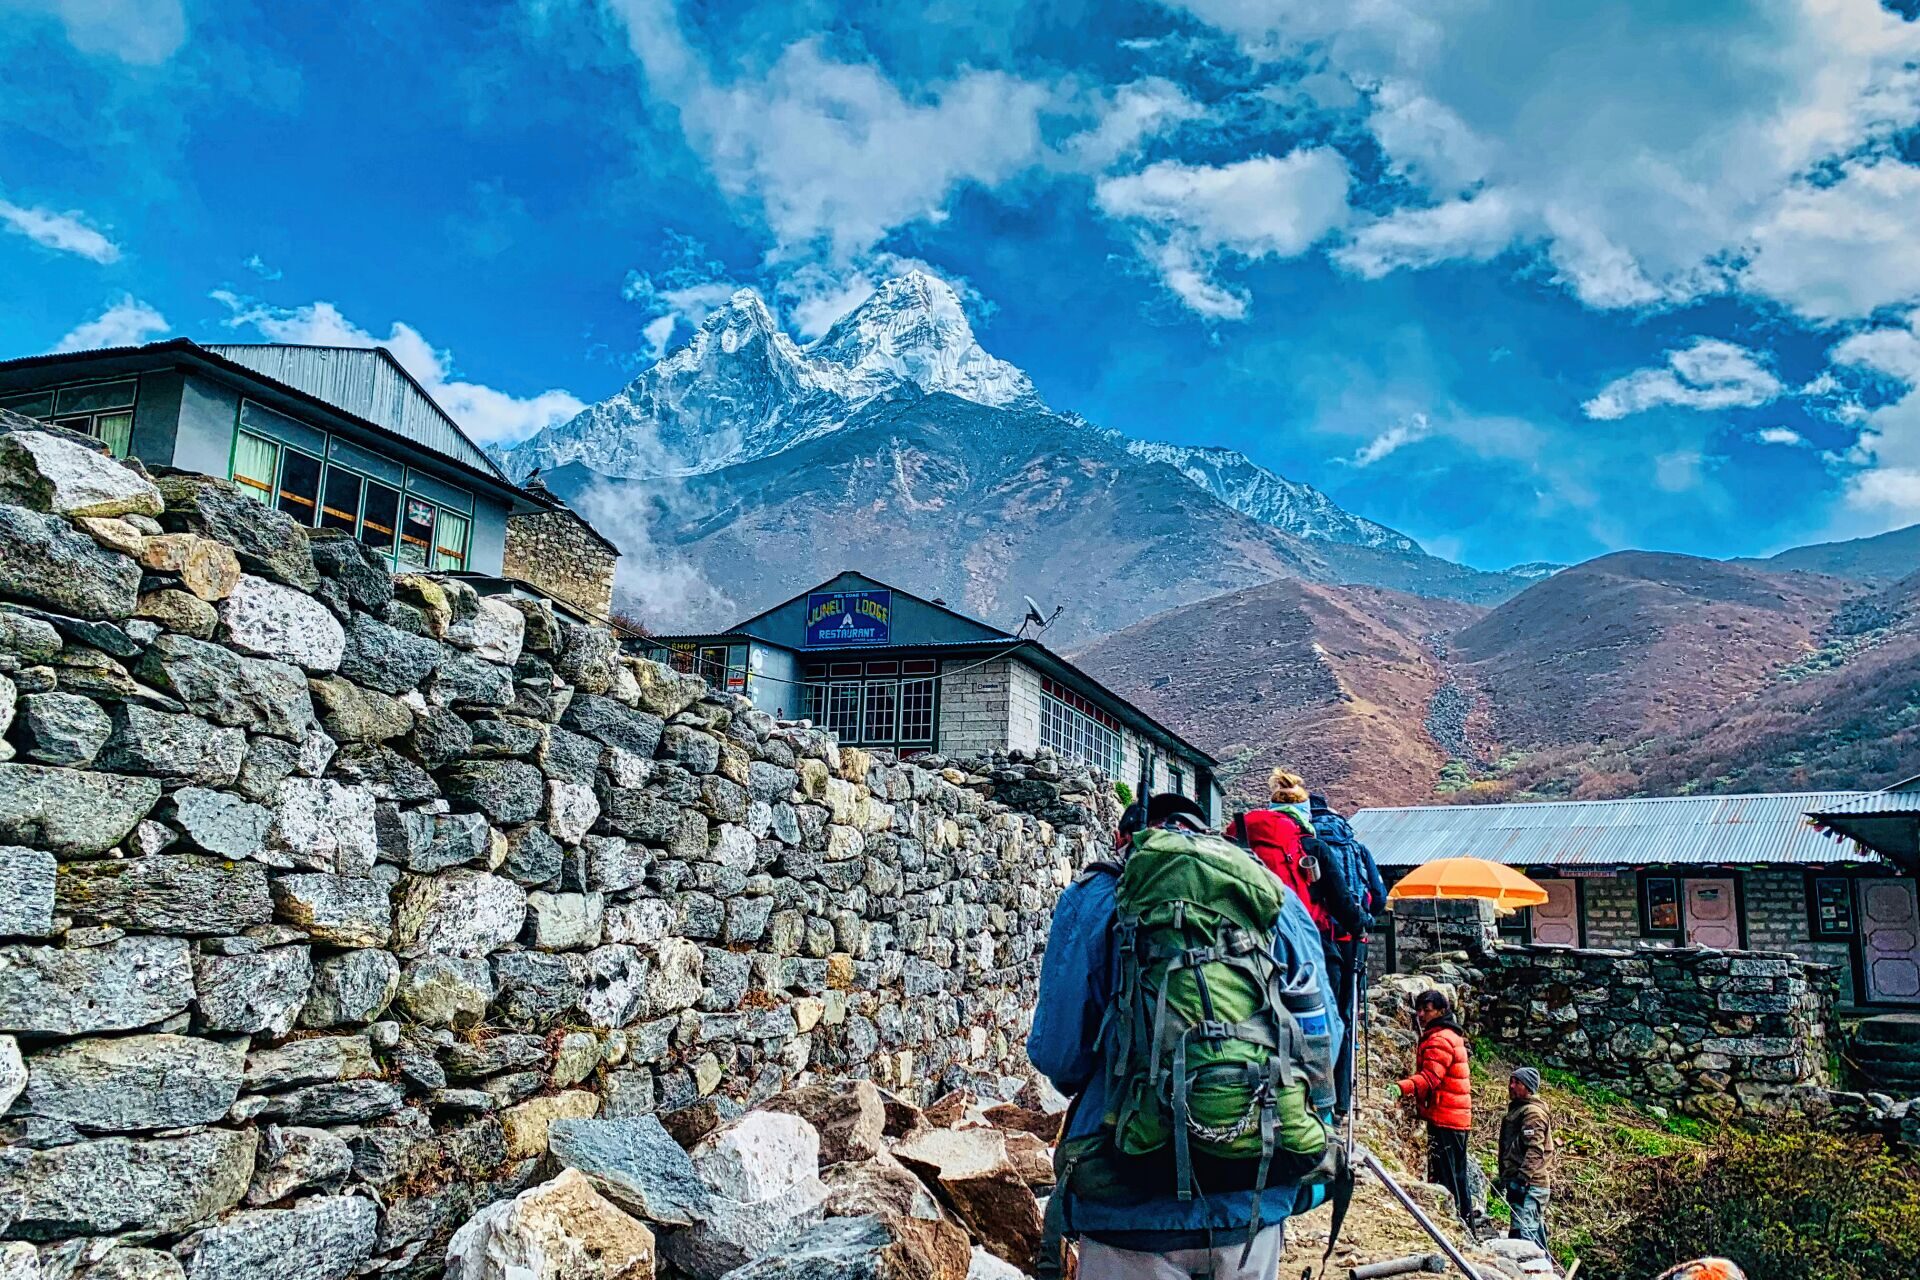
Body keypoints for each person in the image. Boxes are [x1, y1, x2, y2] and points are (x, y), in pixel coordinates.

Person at [1030, 791, 1344, 1280]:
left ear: (1125, 838)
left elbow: (1058, 1054)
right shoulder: (1272, 898)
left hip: (1126, 1200)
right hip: (1251, 1197)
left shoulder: (1094, 896)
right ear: (1210, 834)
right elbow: (1325, 1042)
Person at [1309, 791, 1386, 1120]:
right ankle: (1343, 1101)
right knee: (1346, 1014)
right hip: (1354, 939)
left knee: (1317, 1014)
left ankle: (1317, 1096)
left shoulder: (1306, 843)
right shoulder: (1356, 846)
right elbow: (1379, 898)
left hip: (1318, 938)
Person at [1224, 770, 1367, 945]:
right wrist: (1358, 928)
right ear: (1305, 811)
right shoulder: (1313, 846)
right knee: (1330, 961)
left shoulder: (1240, 836)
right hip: (1300, 932)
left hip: (1243, 934)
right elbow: (1339, 898)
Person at [1396, 989, 1474, 1226]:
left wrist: (1400, 1088)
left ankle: (1454, 1225)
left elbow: (1430, 1078)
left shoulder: (1439, 1040)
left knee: (1446, 1178)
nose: (1421, 1015)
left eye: (1426, 1010)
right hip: (1456, 1117)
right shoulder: (1451, 1035)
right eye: (1419, 1010)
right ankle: (1466, 1225)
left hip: (1445, 1117)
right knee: (1458, 1177)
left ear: (1440, 1011)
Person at [1497, 1067, 1553, 1252]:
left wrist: (1522, 1179)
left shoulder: (1533, 1114)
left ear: (1528, 1087)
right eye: (1511, 1081)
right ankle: (1544, 1265)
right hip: (1520, 1183)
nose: (1511, 1086)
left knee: (1525, 1238)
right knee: (1523, 1233)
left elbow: (1535, 1150)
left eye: (1517, 1083)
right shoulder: (1519, 1109)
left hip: (1530, 1186)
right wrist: (1504, 1178)